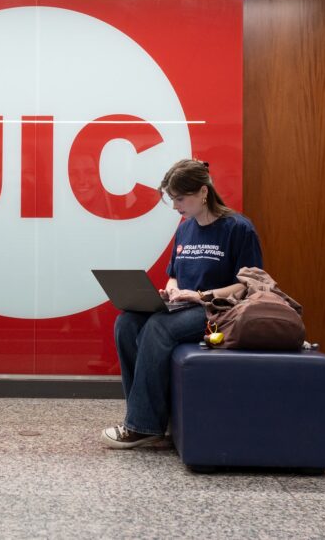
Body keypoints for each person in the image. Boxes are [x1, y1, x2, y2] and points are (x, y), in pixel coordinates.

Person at [101, 158, 263, 448]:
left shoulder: (239, 229)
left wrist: (200, 296)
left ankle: (142, 426)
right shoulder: (185, 230)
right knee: (126, 322)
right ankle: (146, 414)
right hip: (184, 306)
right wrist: (171, 292)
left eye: (180, 199)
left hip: (216, 310)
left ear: (203, 192)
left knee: (158, 328)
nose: (176, 207)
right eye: (172, 199)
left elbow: (247, 285)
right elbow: (174, 277)